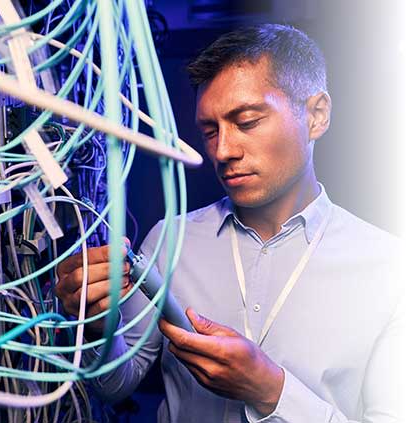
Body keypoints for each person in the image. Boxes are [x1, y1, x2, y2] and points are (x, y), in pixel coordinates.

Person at [56, 24, 406, 422]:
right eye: (210, 130)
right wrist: (99, 326)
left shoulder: (392, 271)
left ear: (316, 116)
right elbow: (116, 385)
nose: (222, 150)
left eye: (247, 121)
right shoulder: (170, 240)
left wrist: (270, 390)